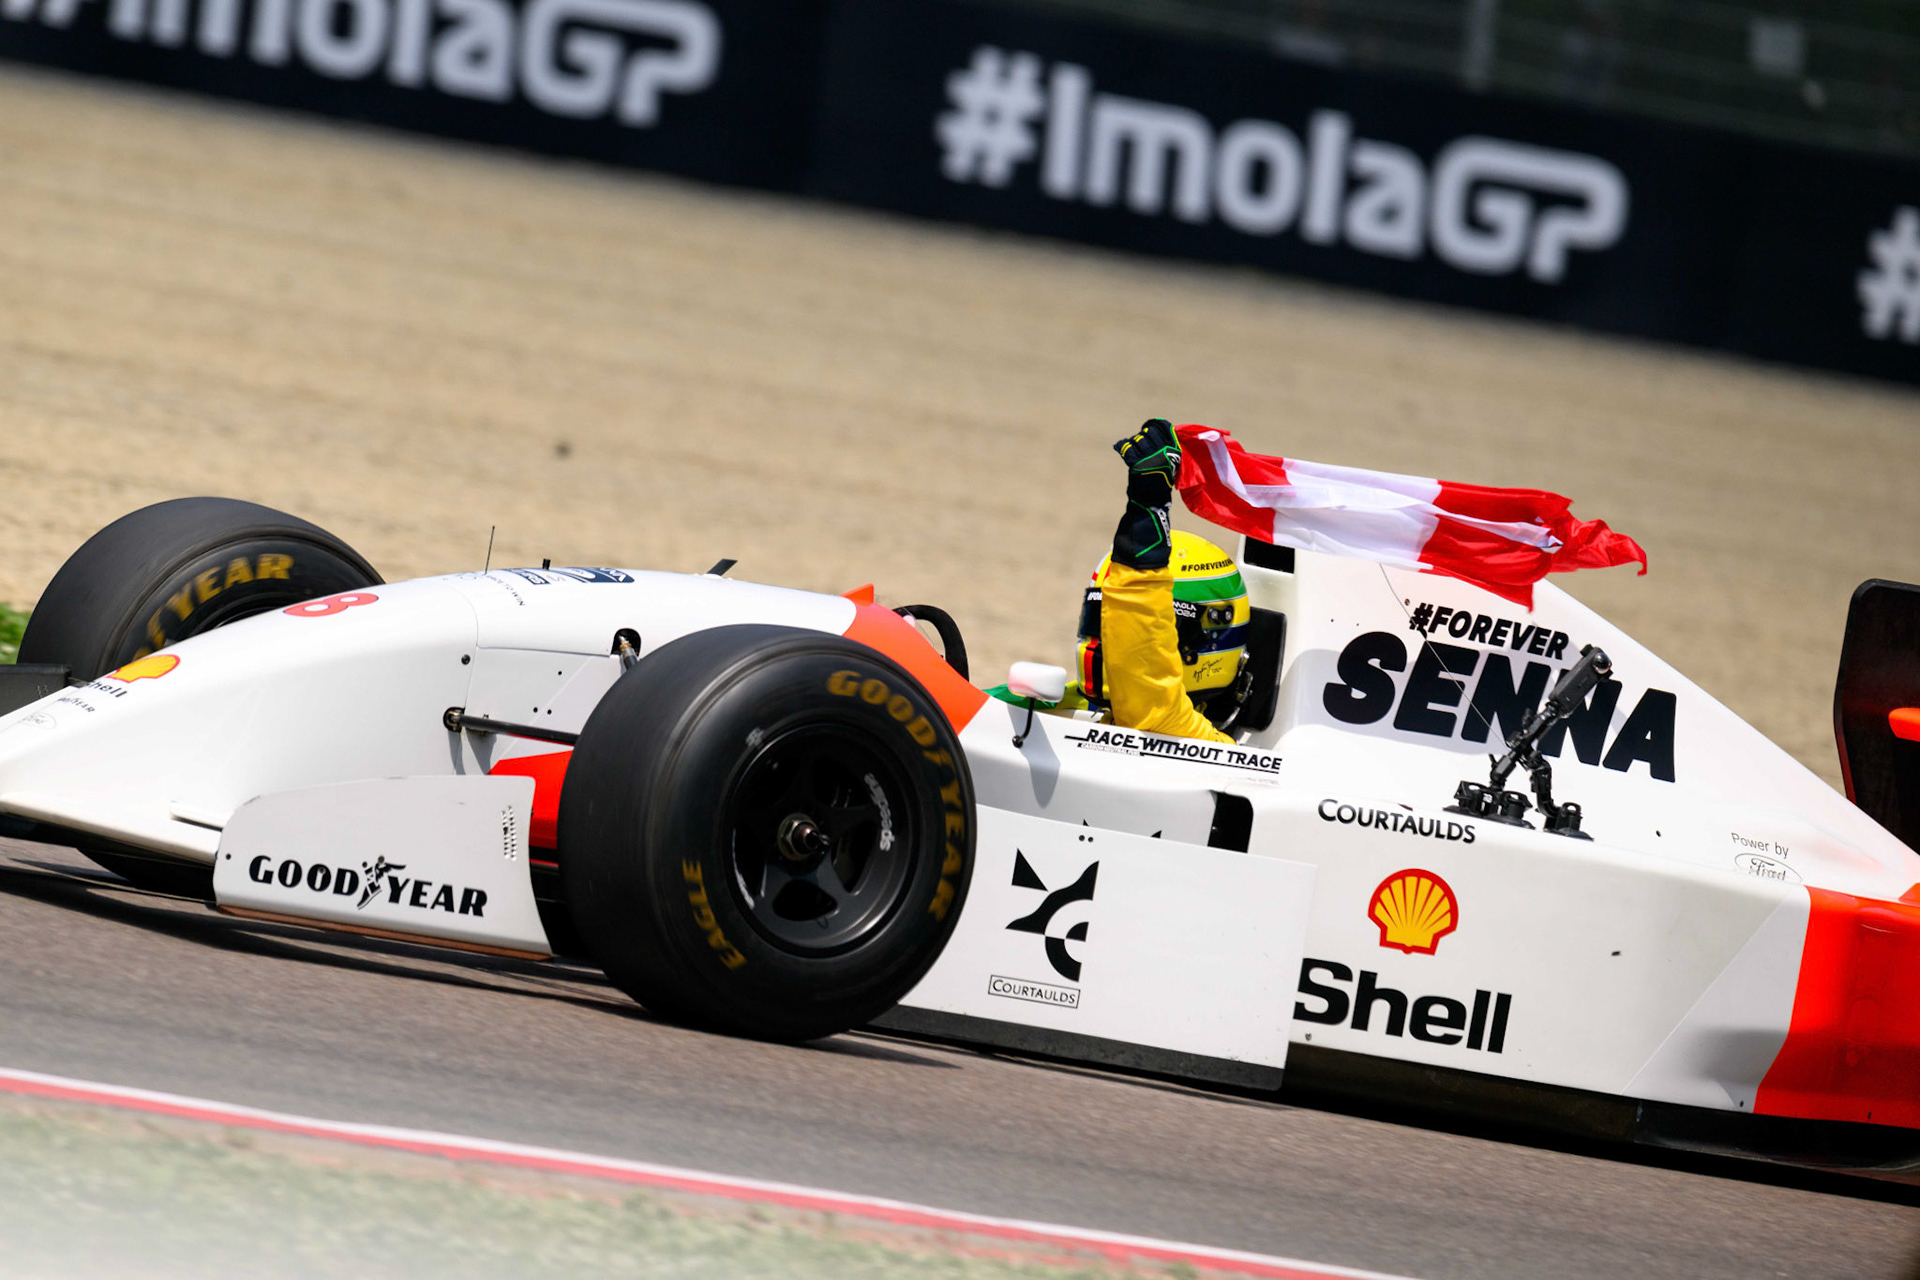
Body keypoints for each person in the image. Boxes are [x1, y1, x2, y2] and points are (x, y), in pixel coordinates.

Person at [993, 420, 1253, 742]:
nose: (1109, 640)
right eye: (1102, 620)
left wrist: (1149, 507)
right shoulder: (1052, 702)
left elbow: (1146, 686)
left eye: (1127, 627)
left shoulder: (1181, 733)